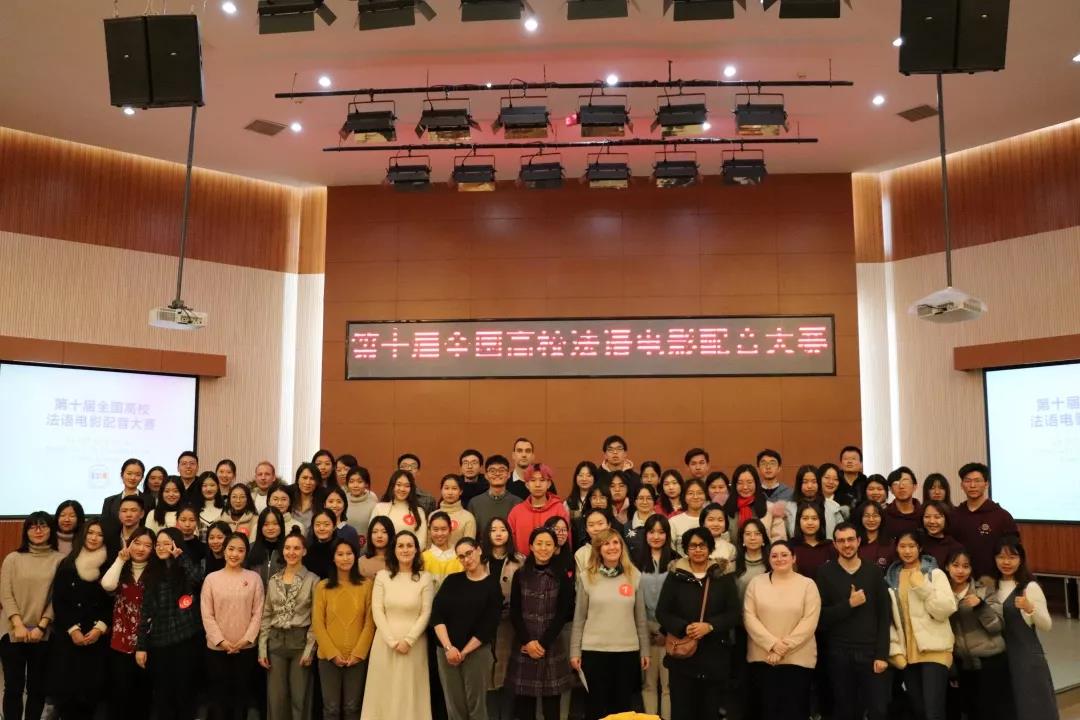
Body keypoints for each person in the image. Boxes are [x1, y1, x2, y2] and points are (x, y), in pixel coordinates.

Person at [656, 527, 740, 720]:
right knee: (682, 711)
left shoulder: (723, 576)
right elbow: (662, 612)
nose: (698, 549)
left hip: (714, 658)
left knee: (709, 712)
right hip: (683, 658)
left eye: (702, 545)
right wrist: (683, 627)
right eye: (693, 546)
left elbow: (734, 613)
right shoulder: (675, 575)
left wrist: (710, 626)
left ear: (710, 548)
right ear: (686, 549)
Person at [569, 529, 650, 720]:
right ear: (599, 549)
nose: (612, 547)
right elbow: (579, 619)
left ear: (622, 547)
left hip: (626, 651)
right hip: (594, 651)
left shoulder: (634, 576)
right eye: (606, 544)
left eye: (615, 543)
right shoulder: (586, 577)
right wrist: (574, 651)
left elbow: (640, 619)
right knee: (596, 707)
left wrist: (645, 650)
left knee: (622, 708)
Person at [815, 523, 891, 720]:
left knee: (878, 710)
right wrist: (849, 604)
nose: (846, 545)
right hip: (838, 653)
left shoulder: (873, 572)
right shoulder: (824, 573)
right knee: (846, 710)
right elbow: (820, 617)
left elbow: (884, 615)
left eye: (850, 539)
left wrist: (882, 654)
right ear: (834, 544)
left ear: (858, 541)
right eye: (841, 541)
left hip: (870, 652)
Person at [742, 540, 821, 720]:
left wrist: (782, 648)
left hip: (798, 661)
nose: (779, 559)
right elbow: (749, 617)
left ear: (794, 558)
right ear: (769, 559)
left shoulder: (807, 585)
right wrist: (772, 645)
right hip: (762, 659)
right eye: (774, 556)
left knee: (794, 711)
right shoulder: (756, 583)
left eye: (784, 555)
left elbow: (809, 621)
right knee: (765, 711)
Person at [361, 531, 434, 720]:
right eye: (400, 546)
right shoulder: (383, 576)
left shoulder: (425, 578)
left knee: (409, 691)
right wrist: (392, 641)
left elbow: (426, 612)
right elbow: (377, 610)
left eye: (409, 545)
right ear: (393, 550)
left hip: (414, 645)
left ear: (416, 550)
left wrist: (408, 640)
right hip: (385, 643)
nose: (405, 550)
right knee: (383, 691)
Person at [885, 530, 956, 720]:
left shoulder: (935, 574)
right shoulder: (891, 578)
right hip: (908, 655)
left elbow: (945, 609)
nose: (907, 551)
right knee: (918, 711)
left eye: (912, 546)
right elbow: (889, 619)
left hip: (935, 650)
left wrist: (922, 586)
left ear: (920, 548)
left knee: (934, 712)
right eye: (902, 546)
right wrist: (895, 651)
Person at [1, 511, 64, 720]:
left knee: (37, 688)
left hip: (43, 633)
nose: (38, 530)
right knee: (13, 687)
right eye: (32, 526)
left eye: (43, 526)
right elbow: (6, 593)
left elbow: (57, 597)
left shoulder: (60, 560)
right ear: (26, 531)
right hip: (12, 631)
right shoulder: (13, 558)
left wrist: (41, 627)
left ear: (51, 530)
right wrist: (18, 624)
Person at [136, 527, 204, 720]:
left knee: (185, 692)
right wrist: (141, 646)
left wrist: (180, 557)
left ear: (176, 544)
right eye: (158, 544)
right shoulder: (151, 572)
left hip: (185, 639)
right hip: (159, 642)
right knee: (163, 694)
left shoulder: (184, 567)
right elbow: (145, 612)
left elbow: (198, 579)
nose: (161, 547)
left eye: (166, 543)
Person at [507, 527, 574, 720]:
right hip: (525, 645)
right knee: (524, 708)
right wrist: (527, 642)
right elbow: (515, 611)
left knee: (552, 709)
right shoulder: (520, 574)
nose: (543, 548)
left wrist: (543, 643)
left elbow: (562, 614)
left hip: (550, 645)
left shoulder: (562, 576)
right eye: (539, 543)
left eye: (548, 544)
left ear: (555, 548)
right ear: (531, 546)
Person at [432, 538, 503, 720]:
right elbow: (437, 615)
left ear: (478, 550)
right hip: (447, 652)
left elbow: (489, 625)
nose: (466, 559)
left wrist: (463, 653)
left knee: (476, 707)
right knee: (454, 707)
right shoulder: (452, 581)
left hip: (476, 653)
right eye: (461, 557)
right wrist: (449, 648)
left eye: (469, 553)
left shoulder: (492, 585)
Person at [991, 536, 1058, 720]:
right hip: (1000, 658)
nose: (1006, 562)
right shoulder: (991, 586)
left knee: (1033, 707)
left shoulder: (1030, 587)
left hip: (1026, 658)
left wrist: (1030, 608)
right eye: (1001, 557)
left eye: (1012, 557)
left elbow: (1047, 625)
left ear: (1021, 560)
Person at [201, 533, 265, 720]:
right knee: (219, 697)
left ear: (246, 553)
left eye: (240, 550)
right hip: (217, 649)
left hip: (245, 648)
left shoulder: (254, 578)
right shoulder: (211, 579)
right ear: (224, 550)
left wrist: (245, 640)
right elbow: (207, 614)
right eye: (231, 549)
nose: (235, 554)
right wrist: (221, 641)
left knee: (241, 697)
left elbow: (258, 613)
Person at [944, 548, 1012, 720]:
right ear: (947, 567)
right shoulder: (942, 595)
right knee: (970, 712)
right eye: (956, 565)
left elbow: (997, 626)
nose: (960, 571)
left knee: (993, 712)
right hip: (963, 664)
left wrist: (981, 606)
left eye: (965, 566)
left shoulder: (983, 591)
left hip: (990, 661)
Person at [314, 538, 376, 720]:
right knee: (331, 708)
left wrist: (358, 653)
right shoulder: (323, 586)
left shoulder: (366, 585)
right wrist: (332, 653)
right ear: (333, 558)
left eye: (349, 554)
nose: (345, 558)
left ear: (355, 556)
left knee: (352, 707)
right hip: (328, 658)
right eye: (340, 554)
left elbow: (370, 622)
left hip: (357, 658)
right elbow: (318, 623)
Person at [259, 533, 317, 720]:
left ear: (304, 551)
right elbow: (267, 615)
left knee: (300, 698)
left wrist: (310, 649)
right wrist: (262, 648)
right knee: (277, 698)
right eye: (288, 548)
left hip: (300, 642)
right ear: (282, 551)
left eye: (296, 548)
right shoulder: (274, 580)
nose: (291, 552)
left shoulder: (313, 580)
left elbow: (316, 619)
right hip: (276, 643)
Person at [101, 527, 154, 720]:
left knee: (143, 696)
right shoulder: (121, 567)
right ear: (129, 544)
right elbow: (107, 585)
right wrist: (120, 559)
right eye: (137, 543)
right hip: (121, 641)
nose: (141, 549)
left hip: (148, 642)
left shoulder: (157, 571)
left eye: (147, 545)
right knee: (120, 694)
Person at [634, 514, 677, 719]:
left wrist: (665, 631)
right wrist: (647, 631)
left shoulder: (677, 561)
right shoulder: (635, 561)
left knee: (668, 685)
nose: (656, 536)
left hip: (671, 631)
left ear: (667, 535)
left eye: (661, 532)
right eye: (652, 532)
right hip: (645, 629)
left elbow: (680, 600)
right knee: (649, 684)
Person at [482, 517, 522, 720]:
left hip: (510, 626)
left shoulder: (520, 561)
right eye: (493, 530)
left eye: (503, 529)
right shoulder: (480, 560)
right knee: (486, 674)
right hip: (484, 625)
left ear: (509, 534)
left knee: (507, 674)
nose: (498, 533)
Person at [950, 463, 1019, 581]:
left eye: (977, 481)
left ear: (986, 484)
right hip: (961, 579)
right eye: (967, 481)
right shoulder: (955, 515)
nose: (972, 485)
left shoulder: (1002, 516)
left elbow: (1014, 552)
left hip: (992, 581)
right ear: (962, 485)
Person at [732, 518, 769, 720]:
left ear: (764, 539)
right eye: (748, 534)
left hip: (768, 629)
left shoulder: (772, 563)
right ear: (742, 539)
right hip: (741, 629)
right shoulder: (733, 565)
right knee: (743, 675)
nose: (753, 538)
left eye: (757, 533)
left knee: (764, 675)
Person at [507, 464, 570, 557]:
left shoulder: (559, 509)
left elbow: (567, 540)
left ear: (549, 484)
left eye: (542, 480)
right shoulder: (516, 511)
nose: (537, 485)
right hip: (523, 563)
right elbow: (509, 542)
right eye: (533, 480)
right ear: (527, 485)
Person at [725, 464, 787, 542]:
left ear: (756, 483)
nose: (745, 487)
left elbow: (779, 539)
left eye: (749, 482)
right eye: (740, 483)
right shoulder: (727, 508)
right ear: (735, 485)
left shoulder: (771, 508)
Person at [373, 469, 429, 549]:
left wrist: (406, 553)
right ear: (392, 486)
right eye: (398, 485)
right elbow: (373, 535)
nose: (402, 489)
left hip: (409, 555)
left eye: (407, 486)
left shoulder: (419, 512)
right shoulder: (379, 508)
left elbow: (421, 542)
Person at [469, 455, 523, 535]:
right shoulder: (474, 503)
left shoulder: (518, 503)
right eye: (492, 471)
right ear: (486, 475)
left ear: (508, 474)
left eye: (501, 470)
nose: (497, 473)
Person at [101, 459, 146, 539]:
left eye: (138, 475)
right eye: (129, 473)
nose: (133, 478)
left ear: (142, 477)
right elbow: (104, 527)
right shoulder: (109, 501)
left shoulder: (149, 500)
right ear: (122, 475)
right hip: (113, 544)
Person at [790, 503, 833, 581]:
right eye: (805, 518)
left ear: (821, 521)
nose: (810, 523)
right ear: (798, 521)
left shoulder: (830, 546)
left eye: (814, 518)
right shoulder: (790, 546)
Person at [423, 512, 465, 589]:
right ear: (429, 530)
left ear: (450, 530)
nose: (440, 534)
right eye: (435, 529)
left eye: (443, 529)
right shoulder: (423, 558)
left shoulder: (460, 557)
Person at [247, 507, 286, 586]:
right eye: (266, 524)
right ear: (260, 527)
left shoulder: (288, 550)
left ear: (281, 526)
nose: (270, 528)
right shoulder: (250, 548)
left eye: (275, 524)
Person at [571, 485, 617, 552]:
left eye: (602, 497)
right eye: (594, 498)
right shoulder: (578, 523)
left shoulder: (617, 524)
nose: (598, 502)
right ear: (589, 500)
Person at [668, 478, 708, 554]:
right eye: (690, 493)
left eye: (699, 493)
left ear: (705, 496)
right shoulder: (673, 522)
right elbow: (670, 550)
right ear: (684, 497)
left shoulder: (712, 520)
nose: (695, 497)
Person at [920, 501, 963, 570]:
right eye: (927, 516)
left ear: (946, 519)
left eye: (937, 517)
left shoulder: (955, 548)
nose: (932, 521)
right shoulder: (917, 541)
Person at [854, 501, 894, 573]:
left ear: (882, 518)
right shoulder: (854, 542)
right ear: (860, 518)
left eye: (875, 516)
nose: (871, 520)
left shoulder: (891, 544)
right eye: (867, 516)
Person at [439, 473, 478, 546]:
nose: (450, 493)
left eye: (454, 488)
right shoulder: (433, 515)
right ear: (441, 490)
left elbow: (468, 546)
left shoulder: (468, 517)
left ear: (460, 492)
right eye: (446, 488)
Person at [105, 494, 147, 562]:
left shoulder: (148, 536)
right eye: (124, 511)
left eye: (133, 510)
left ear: (142, 514)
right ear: (119, 514)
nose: (128, 515)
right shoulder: (110, 537)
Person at [319, 485, 362, 550]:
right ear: (324, 505)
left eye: (339, 502)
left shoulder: (351, 532)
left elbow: (355, 554)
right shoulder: (316, 528)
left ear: (344, 505)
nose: (334, 505)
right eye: (331, 501)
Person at [573, 508, 615, 572]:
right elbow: (579, 578)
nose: (596, 528)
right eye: (591, 525)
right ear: (586, 529)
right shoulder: (581, 553)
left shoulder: (617, 548)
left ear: (608, 525)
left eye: (600, 524)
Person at [885, 467, 922, 537]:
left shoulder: (924, 514)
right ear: (890, 489)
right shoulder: (884, 515)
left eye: (905, 482)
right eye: (896, 483)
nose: (901, 486)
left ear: (915, 486)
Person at [344, 465, 379, 539]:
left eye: (360, 482)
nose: (355, 485)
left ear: (366, 484)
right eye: (351, 482)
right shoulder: (341, 501)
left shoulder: (373, 504)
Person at [624, 484, 659, 557]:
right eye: (641, 498)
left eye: (649, 498)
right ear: (635, 502)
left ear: (654, 501)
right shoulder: (626, 527)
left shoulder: (662, 523)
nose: (645, 502)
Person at [818, 462, 852, 535]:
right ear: (818, 478)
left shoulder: (847, 502)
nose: (831, 482)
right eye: (827, 478)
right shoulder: (812, 500)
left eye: (835, 479)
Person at [304, 511, 339, 580]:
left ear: (334, 527)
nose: (322, 528)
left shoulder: (341, 548)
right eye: (317, 525)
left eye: (326, 525)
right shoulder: (308, 549)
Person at [700, 503, 736, 569]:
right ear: (703, 523)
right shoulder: (695, 544)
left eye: (720, 520)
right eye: (711, 519)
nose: (716, 524)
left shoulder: (731, 548)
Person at [291, 463, 321, 533]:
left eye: (312, 479)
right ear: (297, 479)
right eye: (304, 478)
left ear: (317, 482)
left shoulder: (321, 504)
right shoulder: (289, 501)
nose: (308, 482)